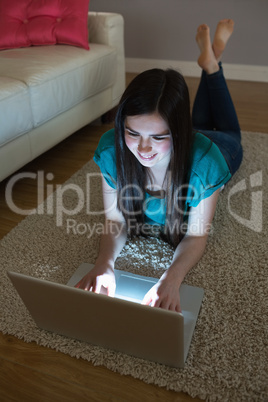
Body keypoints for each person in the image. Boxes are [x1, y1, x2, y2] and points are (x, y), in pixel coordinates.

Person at [75, 19, 243, 312]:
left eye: (158, 136)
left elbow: (196, 234)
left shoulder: (207, 162)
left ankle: (213, 65)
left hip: (221, 146)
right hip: (187, 136)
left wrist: (172, 278)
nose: (143, 148)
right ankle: (211, 59)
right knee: (202, 118)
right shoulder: (111, 150)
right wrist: (104, 264)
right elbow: (114, 220)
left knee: (228, 130)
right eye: (132, 132)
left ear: (177, 132)